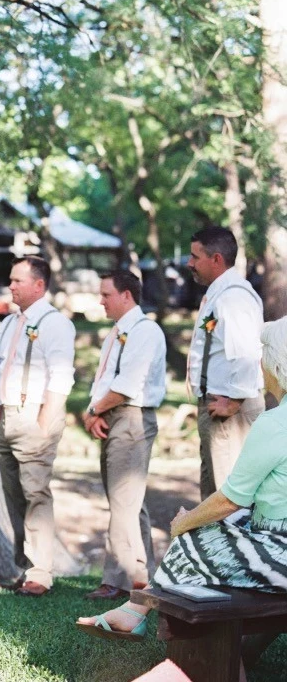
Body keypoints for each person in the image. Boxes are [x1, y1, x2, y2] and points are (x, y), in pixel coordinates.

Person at [77, 317, 287, 654]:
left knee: (193, 536)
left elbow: (229, 499)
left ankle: (142, 617)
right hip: (274, 537)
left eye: (263, 354)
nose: (259, 363)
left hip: (281, 551)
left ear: (277, 363)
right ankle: (139, 612)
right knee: (216, 528)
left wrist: (183, 523)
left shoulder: (275, 424)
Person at [0, 256, 75, 597]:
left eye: (17, 280)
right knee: (14, 495)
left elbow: (61, 375)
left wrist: (46, 418)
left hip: (34, 414)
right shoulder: (11, 323)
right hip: (6, 417)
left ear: (39, 285)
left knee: (36, 493)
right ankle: (25, 567)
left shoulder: (55, 323)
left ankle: (41, 574)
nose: (10, 285)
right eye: (10, 280)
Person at [83, 271, 166, 600]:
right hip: (112, 416)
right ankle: (147, 577)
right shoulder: (116, 333)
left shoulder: (145, 332)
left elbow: (127, 386)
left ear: (127, 295)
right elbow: (103, 383)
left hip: (131, 418)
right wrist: (95, 413)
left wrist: (93, 411)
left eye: (106, 294)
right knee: (129, 502)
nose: (100, 301)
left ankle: (122, 581)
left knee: (123, 502)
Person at [186, 226, 264, 499]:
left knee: (229, 501)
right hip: (220, 405)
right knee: (212, 499)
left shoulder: (233, 297)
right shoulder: (221, 293)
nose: (189, 263)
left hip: (231, 410)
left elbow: (246, 353)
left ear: (216, 259)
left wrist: (233, 402)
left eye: (195, 257)